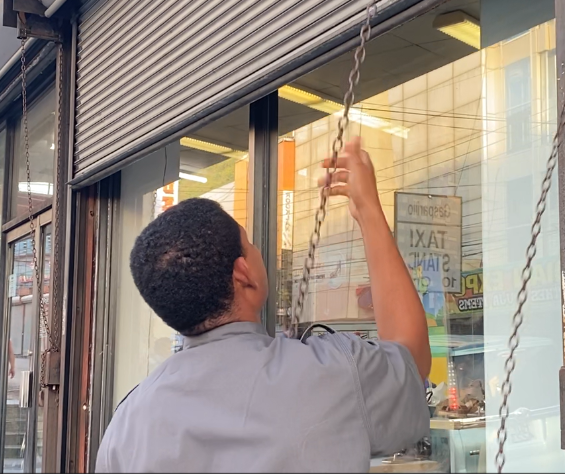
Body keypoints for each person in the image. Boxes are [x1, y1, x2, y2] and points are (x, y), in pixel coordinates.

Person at [96, 138, 432, 473]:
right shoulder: (333, 373)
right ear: (244, 274)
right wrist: (367, 209)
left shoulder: (125, 428)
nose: (258, 250)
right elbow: (411, 361)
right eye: (251, 243)